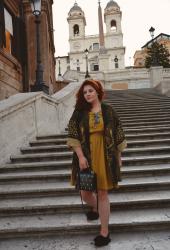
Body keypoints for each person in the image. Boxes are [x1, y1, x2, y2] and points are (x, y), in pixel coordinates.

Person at [67, 79, 127, 247]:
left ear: (98, 91)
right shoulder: (79, 112)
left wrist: (118, 157)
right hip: (85, 154)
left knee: (103, 193)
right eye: (85, 92)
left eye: (90, 91)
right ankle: (96, 208)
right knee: (85, 193)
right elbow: (73, 135)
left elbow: (117, 133)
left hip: (105, 155)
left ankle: (104, 232)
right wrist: (80, 157)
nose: (87, 94)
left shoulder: (108, 111)